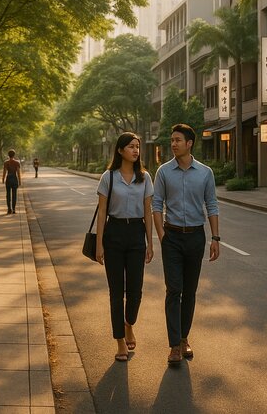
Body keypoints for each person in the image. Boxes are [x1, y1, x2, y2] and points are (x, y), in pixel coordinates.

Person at [151, 123, 220, 366]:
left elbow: (211, 205)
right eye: (172, 140)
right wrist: (161, 236)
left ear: (189, 143)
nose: (173, 144)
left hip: (195, 237)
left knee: (189, 291)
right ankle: (173, 346)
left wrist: (215, 238)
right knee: (174, 290)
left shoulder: (205, 173)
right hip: (171, 237)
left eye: (178, 140)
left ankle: (184, 338)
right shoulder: (163, 172)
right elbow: (156, 204)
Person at [95, 132, 154, 362]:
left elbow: (148, 212)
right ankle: (119, 340)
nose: (135, 150)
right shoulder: (108, 177)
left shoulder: (145, 178)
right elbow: (102, 213)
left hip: (136, 234)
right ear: (120, 150)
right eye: (131, 146)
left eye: (137, 147)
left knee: (136, 291)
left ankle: (129, 323)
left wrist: (150, 242)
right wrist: (99, 244)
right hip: (114, 234)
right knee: (116, 292)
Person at [2, 149, 22, 214]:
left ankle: (9, 209)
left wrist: (3, 178)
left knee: (8, 194)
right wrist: (19, 181)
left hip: (8, 179)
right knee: (14, 194)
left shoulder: (6, 162)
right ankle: (14, 209)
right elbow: (18, 173)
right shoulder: (17, 163)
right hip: (14, 178)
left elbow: (4, 172)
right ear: (14, 155)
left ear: (8, 155)